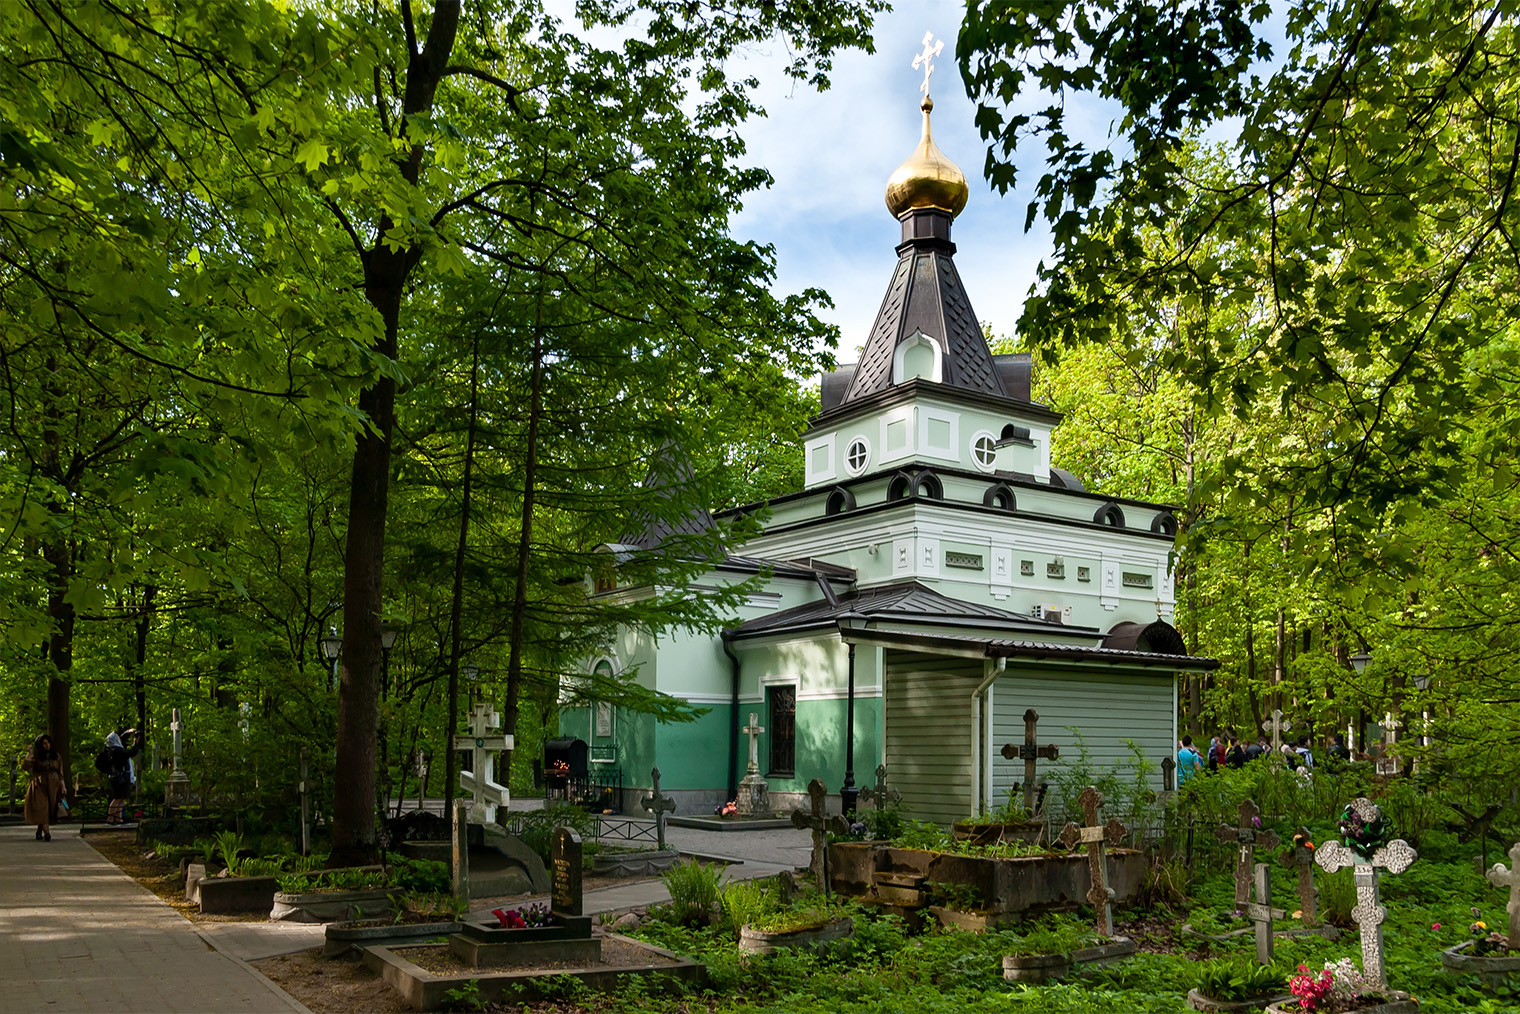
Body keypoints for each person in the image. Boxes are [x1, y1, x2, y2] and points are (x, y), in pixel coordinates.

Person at [23, 733, 67, 842]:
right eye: (43, 743)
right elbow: (25, 767)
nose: (46, 745)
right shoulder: (36, 756)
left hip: (53, 785)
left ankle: (39, 830)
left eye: (48, 743)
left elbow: (60, 772)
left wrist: (63, 786)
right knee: (42, 807)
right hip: (39, 784)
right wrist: (30, 753)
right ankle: (47, 833)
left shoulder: (56, 756)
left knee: (49, 809)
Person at [103, 729, 140, 824]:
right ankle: (110, 818)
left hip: (120, 776)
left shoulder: (113, 749)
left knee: (120, 799)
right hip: (119, 777)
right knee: (117, 798)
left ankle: (119, 819)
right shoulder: (116, 751)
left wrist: (128, 732)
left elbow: (121, 739)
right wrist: (135, 742)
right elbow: (131, 752)